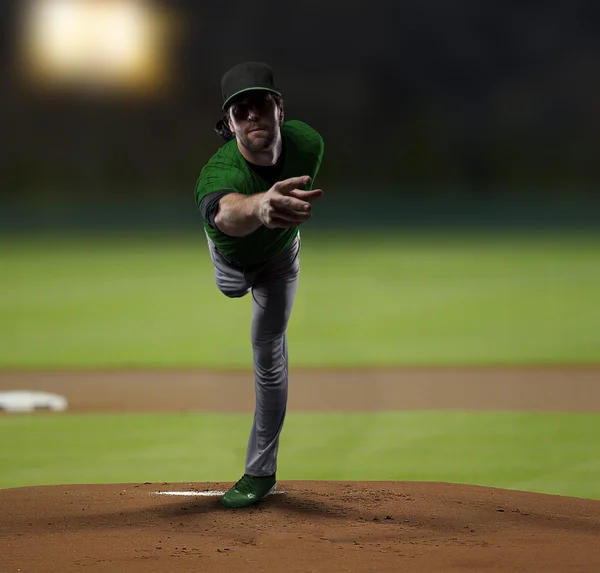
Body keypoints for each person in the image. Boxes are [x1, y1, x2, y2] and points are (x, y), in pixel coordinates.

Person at [194, 62, 325, 508]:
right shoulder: (217, 175)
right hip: (230, 261)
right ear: (228, 124)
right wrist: (261, 207)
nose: (253, 116)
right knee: (231, 288)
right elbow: (227, 212)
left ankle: (260, 472)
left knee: (268, 353)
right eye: (240, 110)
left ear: (280, 109)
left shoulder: (308, 144)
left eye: (261, 105)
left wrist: (276, 218)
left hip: (280, 259)